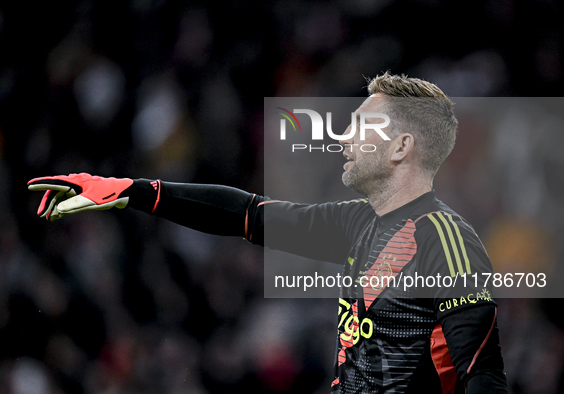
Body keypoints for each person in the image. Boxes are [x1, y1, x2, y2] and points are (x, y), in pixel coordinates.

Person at [28, 73, 507, 393]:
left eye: (363, 125)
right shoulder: (357, 223)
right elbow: (246, 214)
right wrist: (131, 190)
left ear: (402, 146)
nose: (345, 137)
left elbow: (481, 375)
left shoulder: (447, 241)